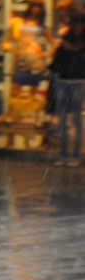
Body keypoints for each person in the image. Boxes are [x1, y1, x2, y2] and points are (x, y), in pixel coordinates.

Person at [48, 12, 85, 167]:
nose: (77, 27)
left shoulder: (71, 40)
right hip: (64, 80)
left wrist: (72, 50)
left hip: (76, 81)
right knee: (64, 120)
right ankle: (64, 155)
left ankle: (74, 155)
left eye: (80, 23)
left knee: (75, 118)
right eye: (75, 23)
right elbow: (57, 61)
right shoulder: (65, 39)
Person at [3, 0, 55, 85]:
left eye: (38, 7)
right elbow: (5, 39)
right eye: (34, 6)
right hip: (21, 58)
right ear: (29, 7)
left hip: (35, 59)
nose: (36, 9)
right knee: (16, 88)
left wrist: (47, 54)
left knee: (33, 88)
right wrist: (10, 49)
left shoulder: (42, 26)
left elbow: (53, 43)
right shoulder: (17, 21)